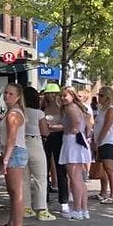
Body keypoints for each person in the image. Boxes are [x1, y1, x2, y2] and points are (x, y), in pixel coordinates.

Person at [0, 84, 28, 226]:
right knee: (12, 191)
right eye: (5, 93)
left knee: (16, 191)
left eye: (11, 94)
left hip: (15, 152)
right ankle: (12, 222)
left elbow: (12, 138)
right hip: (12, 151)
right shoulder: (10, 112)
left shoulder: (14, 114)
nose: (7, 96)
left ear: (18, 96)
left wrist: (6, 159)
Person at [59, 86, 92, 219]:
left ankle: (77, 210)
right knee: (79, 178)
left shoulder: (71, 108)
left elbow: (76, 123)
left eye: (65, 95)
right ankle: (83, 210)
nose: (62, 98)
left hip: (72, 141)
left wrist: (72, 129)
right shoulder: (79, 108)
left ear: (72, 96)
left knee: (74, 178)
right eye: (61, 96)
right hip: (77, 141)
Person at [22, 86, 55, 221]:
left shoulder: (19, 112)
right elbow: (45, 132)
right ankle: (42, 209)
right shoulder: (38, 113)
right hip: (35, 142)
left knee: (24, 179)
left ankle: (26, 208)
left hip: (22, 143)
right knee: (40, 178)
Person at [42, 84, 69, 214]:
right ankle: (44, 199)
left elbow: (67, 125)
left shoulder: (63, 109)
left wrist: (52, 126)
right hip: (46, 137)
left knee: (61, 170)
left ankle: (63, 201)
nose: (51, 96)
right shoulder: (43, 107)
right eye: (49, 93)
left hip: (59, 137)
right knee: (44, 169)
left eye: (54, 94)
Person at [93, 86, 113, 204]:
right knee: (102, 168)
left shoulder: (111, 109)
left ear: (107, 97)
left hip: (108, 141)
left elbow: (106, 127)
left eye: (101, 96)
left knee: (109, 168)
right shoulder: (102, 109)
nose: (99, 98)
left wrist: (98, 141)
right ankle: (103, 192)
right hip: (102, 141)